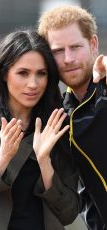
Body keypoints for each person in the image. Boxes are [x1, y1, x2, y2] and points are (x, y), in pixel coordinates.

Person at [0, 30, 81, 230]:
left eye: (41, 73)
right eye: (23, 73)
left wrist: (44, 163)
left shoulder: (58, 126)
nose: (33, 84)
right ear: (4, 73)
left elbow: (69, 214)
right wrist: (1, 160)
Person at [38, 5, 107, 230]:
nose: (68, 59)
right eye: (58, 51)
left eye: (75, 47)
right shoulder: (56, 116)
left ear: (93, 44)